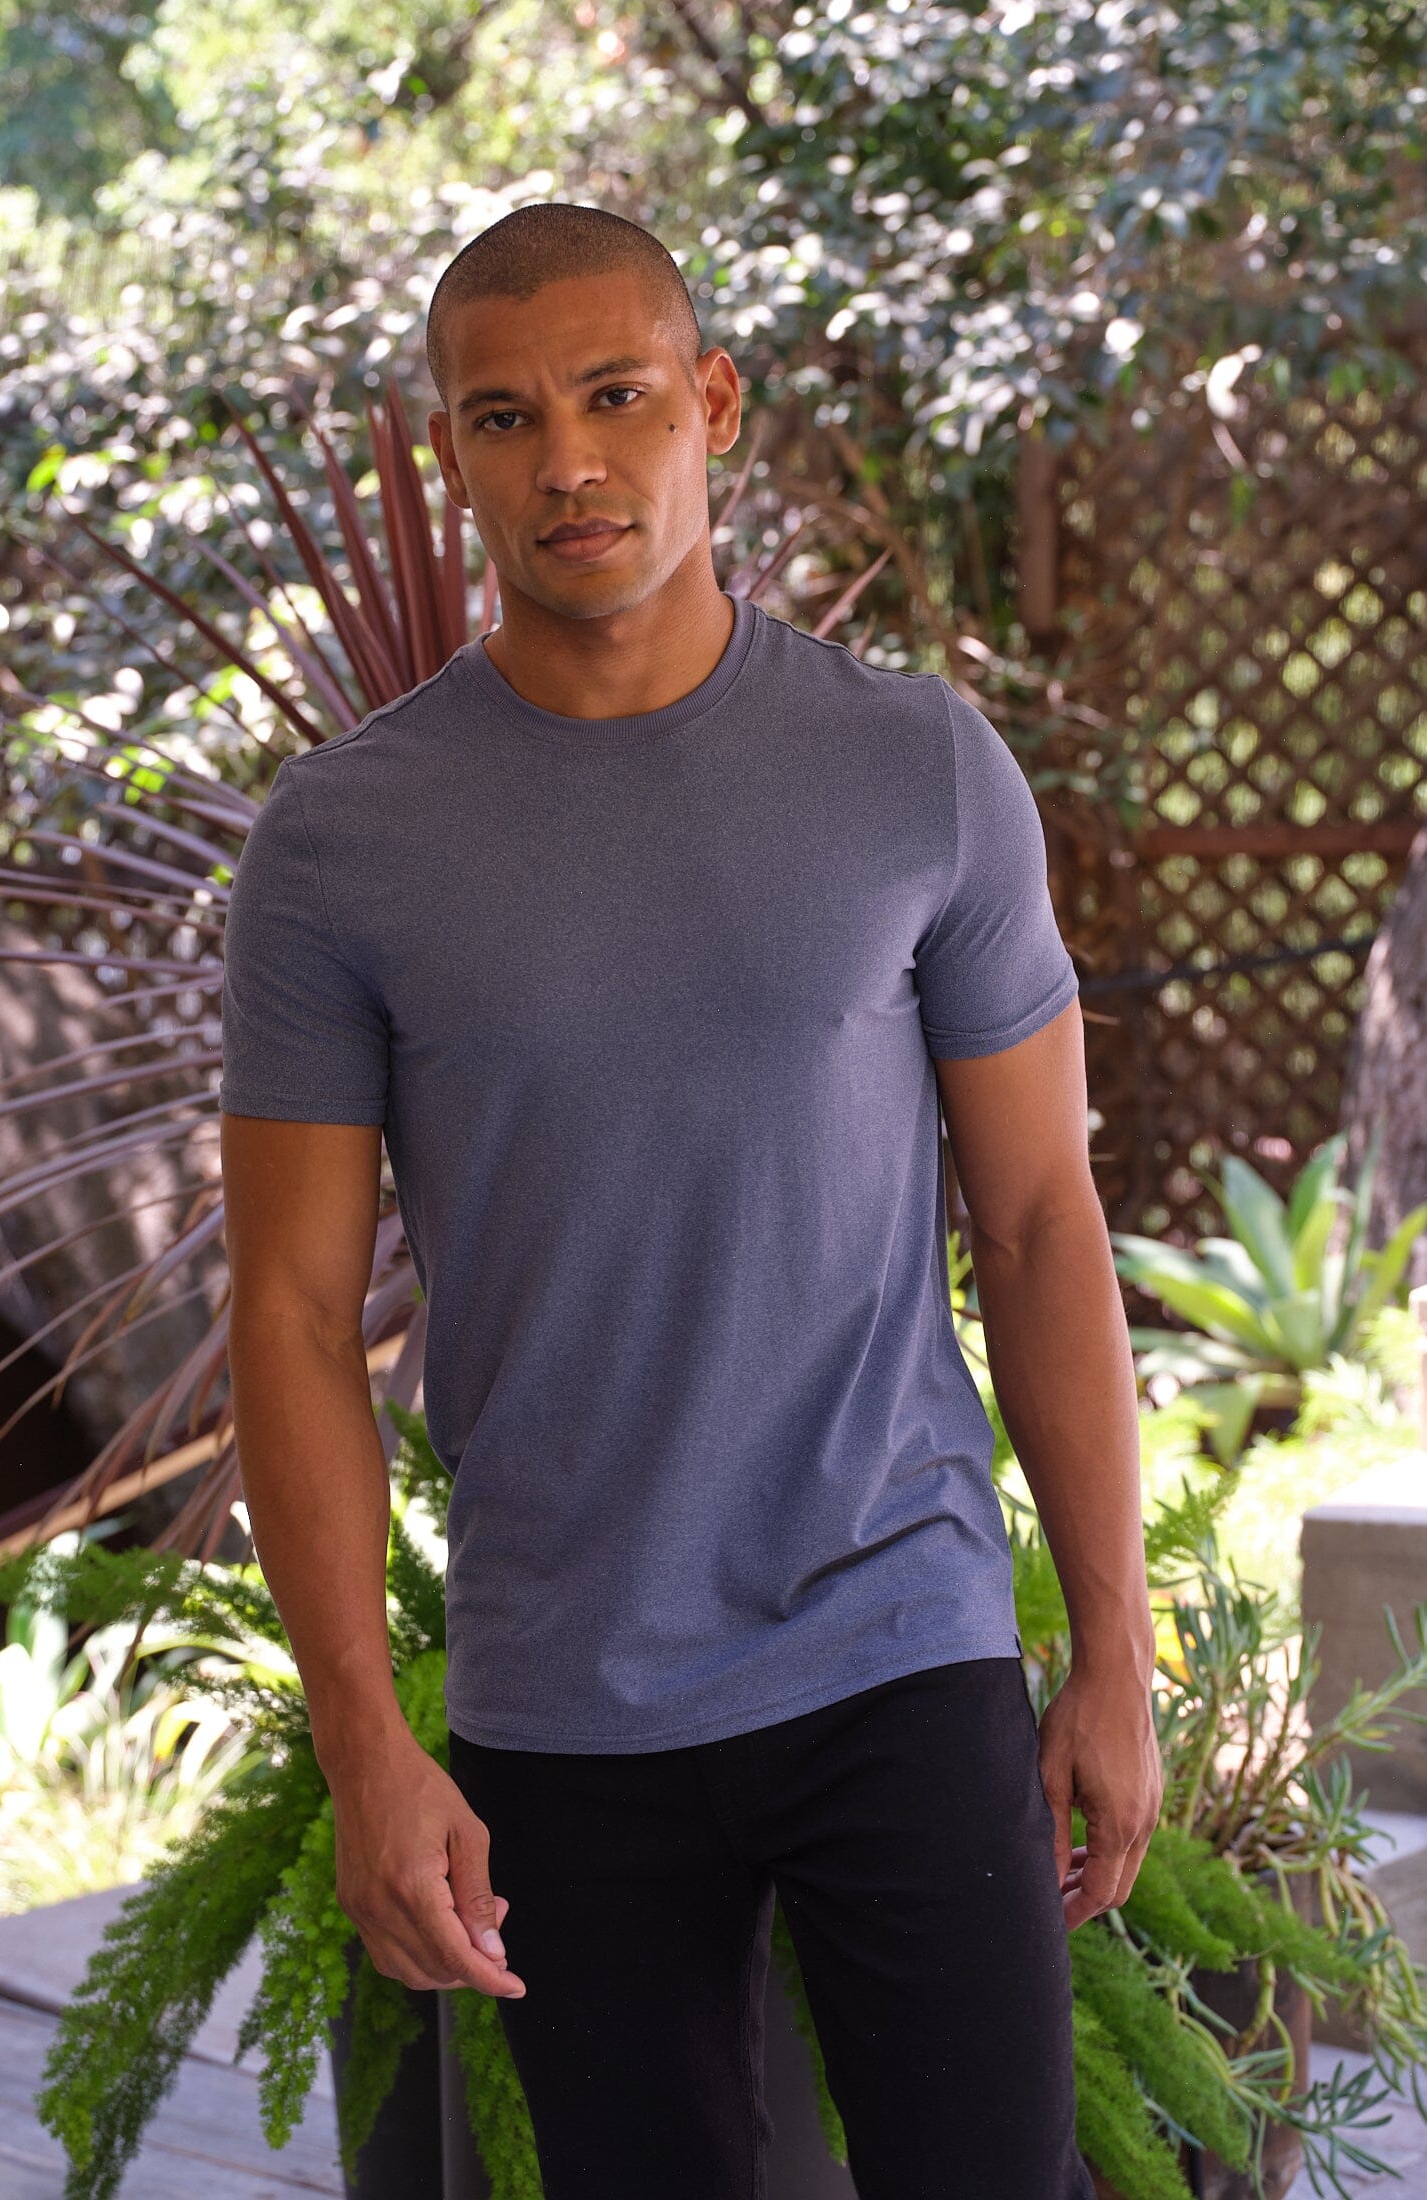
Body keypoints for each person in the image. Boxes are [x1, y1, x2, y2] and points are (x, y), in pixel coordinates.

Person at [218, 200, 1161, 2199]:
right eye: (505, 417)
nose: (567, 459)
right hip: (566, 1682)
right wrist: (365, 1741)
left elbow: (1038, 1221)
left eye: (616, 395)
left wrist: (1113, 1651)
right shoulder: (340, 845)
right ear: (454, 453)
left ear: (711, 404)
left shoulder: (917, 769)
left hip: (897, 1631)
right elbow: (288, 1316)